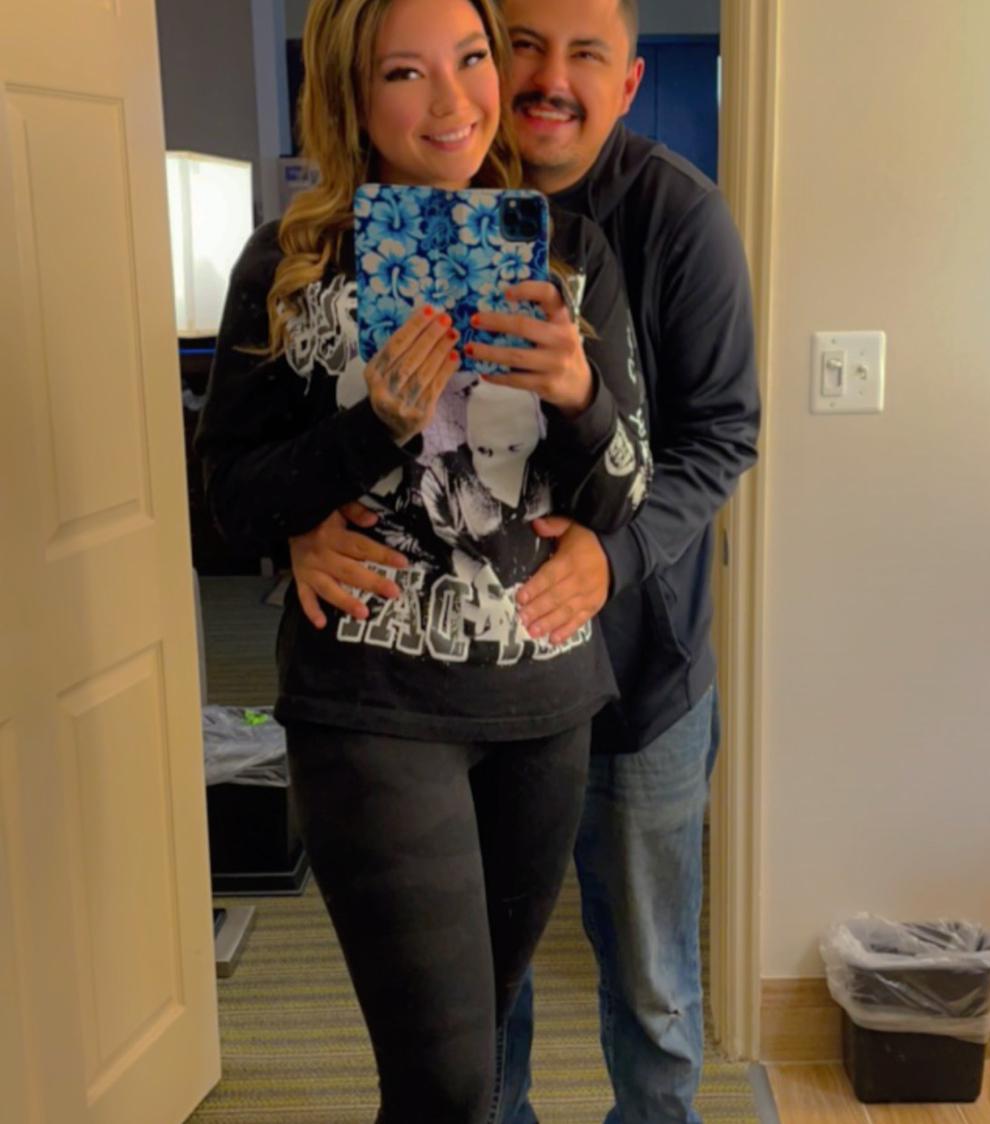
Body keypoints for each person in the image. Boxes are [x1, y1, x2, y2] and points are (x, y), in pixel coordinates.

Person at [286, 0, 760, 1120]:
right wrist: (295, 525)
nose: (548, 77)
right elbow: (287, 437)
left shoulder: (675, 217)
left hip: (639, 670)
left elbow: (722, 432)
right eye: (522, 47)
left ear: (628, 82)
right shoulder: (384, 228)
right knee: (479, 1004)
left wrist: (616, 553)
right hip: (458, 691)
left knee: (651, 985)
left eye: (584, 53)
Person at [194, 0, 650, 1120]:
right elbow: (224, 506)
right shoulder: (291, 266)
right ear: (352, 94)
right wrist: (372, 430)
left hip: (542, 705)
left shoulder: (568, 255)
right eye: (405, 72)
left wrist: (580, 395)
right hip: (371, 705)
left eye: (471, 58)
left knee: (472, 1058)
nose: (452, 101)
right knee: (441, 1080)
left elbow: (620, 494)